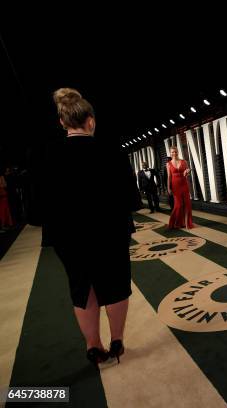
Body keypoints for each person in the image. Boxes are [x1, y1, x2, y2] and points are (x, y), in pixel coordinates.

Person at [43, 88, 140, 365]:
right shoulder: (112, 152)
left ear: (62, 123)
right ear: (91, 121)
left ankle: (93, 345)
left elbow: (37, 212)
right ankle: (117, 340)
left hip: (67, 236)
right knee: (116, 282)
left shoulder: (47, 156)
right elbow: (132, 200)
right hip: (110, 230)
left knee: (82, 287)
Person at [167, 146, 193, 229]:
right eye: (172, 152)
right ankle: (176, 223)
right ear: (170, 153)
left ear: (178, 152)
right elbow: (169, 177)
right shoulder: (168, 164)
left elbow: (187, 172)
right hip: (175, 186)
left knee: (187, 204)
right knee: (178, 205)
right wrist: (168, 188)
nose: (174, 153)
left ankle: (187, 223)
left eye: (175, 152)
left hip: (184, 184)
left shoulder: (184, 161)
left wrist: (187, 171)